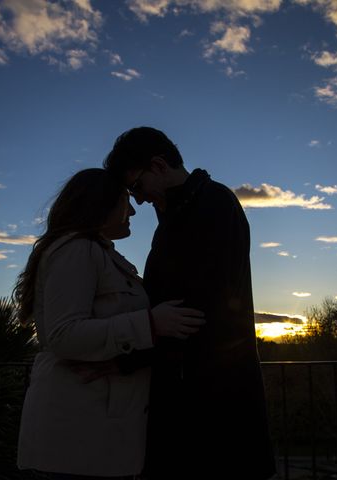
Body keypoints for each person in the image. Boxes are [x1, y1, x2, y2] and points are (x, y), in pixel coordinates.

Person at [103, 127, 276, 479]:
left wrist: (124, 360)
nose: (137, 200)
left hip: (214, 399)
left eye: (136, 186)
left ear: (158, 165)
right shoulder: (181, 211)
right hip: (192, 391)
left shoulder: (213, 204)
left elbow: (198, 306)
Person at [14, 168, 205, 479]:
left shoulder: (97, 253)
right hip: (76, 439)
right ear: (99, 205)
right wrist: (150, 323)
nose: (131, 210)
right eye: (123, 202)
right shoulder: (78, 249)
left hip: (91, 435)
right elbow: (63, 335)